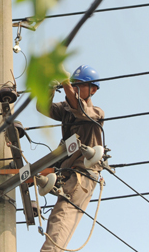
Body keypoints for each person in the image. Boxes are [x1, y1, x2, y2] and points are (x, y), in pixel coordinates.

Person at [37, 65, 104, 252]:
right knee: (55, 218)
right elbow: (43, 107)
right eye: (73, 85)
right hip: (69, 175)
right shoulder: (66, 109)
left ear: (93, 90)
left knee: (61, 216)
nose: (74, 89)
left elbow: (81, 110)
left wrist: (65, 81)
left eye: (79, 85)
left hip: (83, 175)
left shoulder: (96, 113)